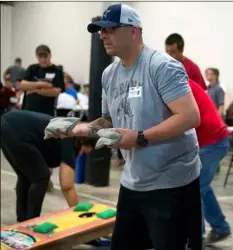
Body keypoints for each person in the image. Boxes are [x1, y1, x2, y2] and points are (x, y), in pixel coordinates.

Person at [50, 4, 202, 249]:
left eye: (110, 29)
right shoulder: (109, 74)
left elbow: (190, 116)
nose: (103, 35)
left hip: (172, 183)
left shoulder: (161, 66)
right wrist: (79, 129)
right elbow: (108, 120)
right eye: (101, 31)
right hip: (133, 181)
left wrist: (140, 137)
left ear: (133, 31)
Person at [0, 110, 94, 222]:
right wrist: (80, 216)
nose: (81, 155)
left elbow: (47, 148)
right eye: (84, 152)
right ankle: (31, 222)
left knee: (26, 176)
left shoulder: (69, 129)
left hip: (7, 123)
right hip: (17, 131)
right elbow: (67, 186)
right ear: (82, 142)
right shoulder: (70, 140)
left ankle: (22, 221)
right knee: (41, 178)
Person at [188, 79, 232, 245]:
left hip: (212, 142)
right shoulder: (181, 82)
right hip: (212, 141)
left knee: (195, 188)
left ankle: (195, 238)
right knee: (202, 188)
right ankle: (220, 228)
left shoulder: (177, 85)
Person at [19, 45, 64, 116]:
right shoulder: (32, 68)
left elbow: (56, 91)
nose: (43, 59)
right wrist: (42, 84)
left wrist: (35, 90)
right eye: (40, 57)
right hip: (28, 111)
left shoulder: (57, 71)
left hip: (47, 112)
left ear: (50, 55)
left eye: (45, 57)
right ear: (36, 56)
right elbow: (22, 85)